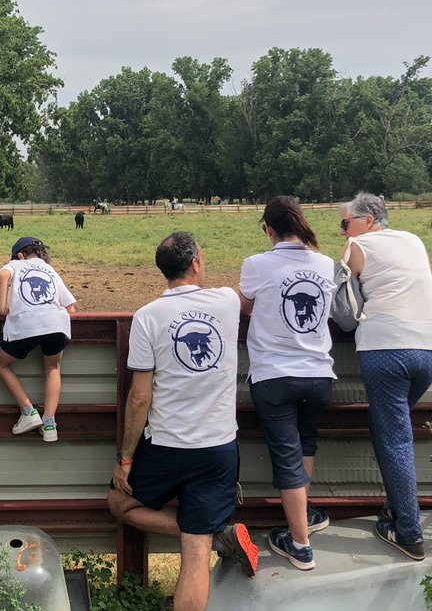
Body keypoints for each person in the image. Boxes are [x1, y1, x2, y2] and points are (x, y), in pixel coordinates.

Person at [108, 232, 258, 611]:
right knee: (195, 554)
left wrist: (125, 458)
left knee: (118, 504)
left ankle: (202, 527)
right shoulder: (225, 301)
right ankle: (206, 528)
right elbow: (254, 297)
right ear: (196, 263)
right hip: (216, 449)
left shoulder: (146, 317)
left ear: (163, 271)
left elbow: (140, 397)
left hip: (165, 448)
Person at [339, 192, 432, 561]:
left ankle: (409, 534)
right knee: (387, 430)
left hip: (386, 349)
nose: (343, 231)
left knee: (395, 439)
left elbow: (346, 310)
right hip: (430, 350)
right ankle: (397, 509)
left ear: (367, 220)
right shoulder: (413, 240)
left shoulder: (356, 246)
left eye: (345, 223)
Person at [238, 197, 337, 571]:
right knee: (305, 443)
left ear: (268, 229)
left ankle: (300, 545)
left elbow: (245, 308)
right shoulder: (326, 263)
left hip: (274, 375)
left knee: (286, 457)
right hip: (319, 374)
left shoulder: (257, 265)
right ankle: (305, 517)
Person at [0, 236, 77, 442]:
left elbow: (3, 275)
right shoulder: (50, 270)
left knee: (0, 364)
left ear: (20, 255)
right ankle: (49, 423)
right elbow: (71, 307)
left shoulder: (16, 263)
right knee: (53, 368)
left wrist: (2, 308)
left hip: (25, 323)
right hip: (56, 323)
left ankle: (28, 412)